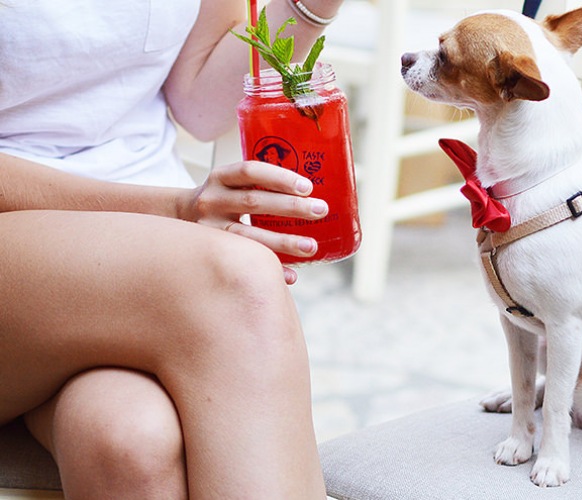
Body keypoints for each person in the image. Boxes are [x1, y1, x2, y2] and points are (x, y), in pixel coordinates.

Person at [0, 0, 344, 497]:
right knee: (237, 279)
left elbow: (199, 106)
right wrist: (174, 210)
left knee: (129, 440)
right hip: (31, 244)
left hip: (146, 259)